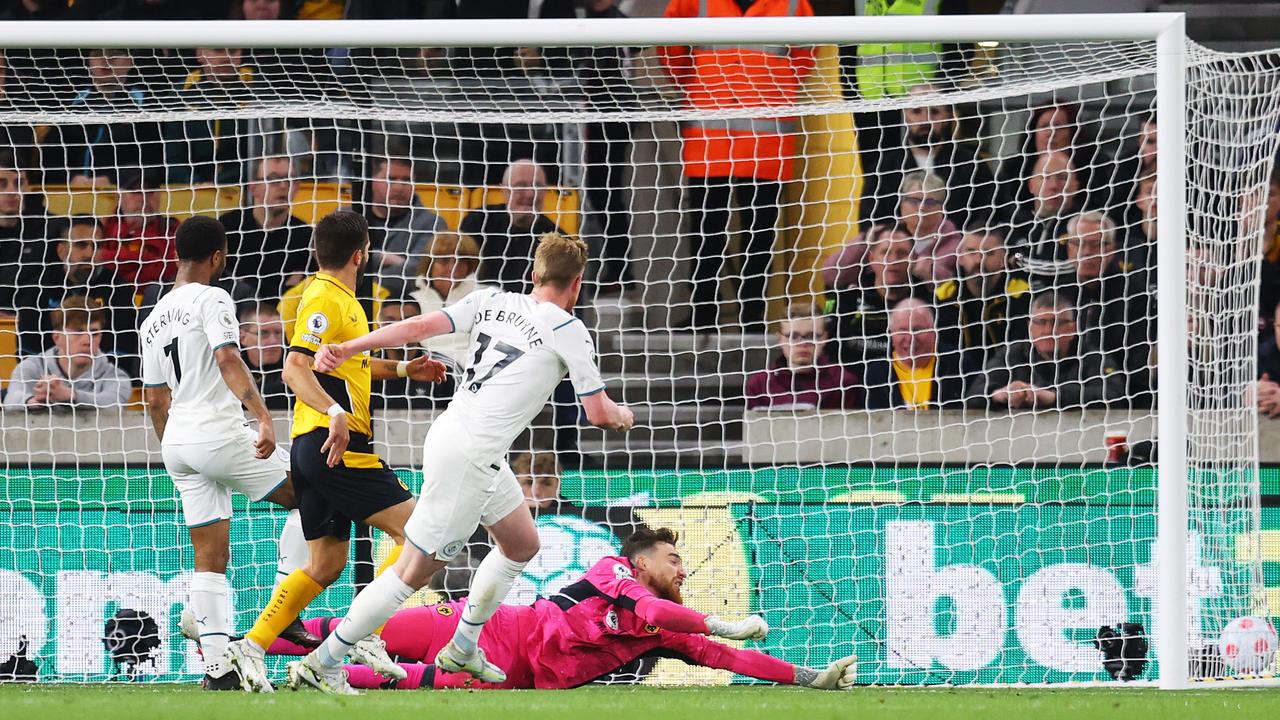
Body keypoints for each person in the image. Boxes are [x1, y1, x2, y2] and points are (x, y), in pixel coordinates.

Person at [289, 232, 634, 694]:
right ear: (577, 283)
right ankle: (323, 659)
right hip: (470, 455)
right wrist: (624, 415)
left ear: (534, 274)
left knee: (520, 543)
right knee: (412, 571)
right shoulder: (569, 329)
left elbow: (417, 329)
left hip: (465, 441)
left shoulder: (491, 300)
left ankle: (464, 646)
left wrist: (351, 347)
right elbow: (598, 413)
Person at [221, 211, 449, 694]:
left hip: (315, 448)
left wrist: (407, 371)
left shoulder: (342, 300)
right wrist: (335, 412)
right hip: (336, 445)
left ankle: (250, 648)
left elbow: (355, 365)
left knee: (325, 566)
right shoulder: (323, 295)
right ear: (361, 253)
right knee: (425, 535)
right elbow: (294, 369)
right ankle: (364, 633)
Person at [228, 527, 856, 692]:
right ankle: (232, 643)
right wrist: (717, 619)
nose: (682, 569)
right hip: (492, 629)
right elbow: (661, 614)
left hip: (512, 675)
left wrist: (806, 676)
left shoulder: (657, 628)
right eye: (673, 558)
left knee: (398, 679)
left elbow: (729, 657)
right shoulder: (612, 573)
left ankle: (272, 672)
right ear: (639, 562)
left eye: (682, 563)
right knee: (353, 631)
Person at [139, 216, 315, 690]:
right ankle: (287, 612)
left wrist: (175, 450)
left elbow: (155, 399)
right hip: (218, 431)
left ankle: (217, 671)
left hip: (177, 441)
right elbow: (227, 356)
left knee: (209, 558)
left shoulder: (151, 319)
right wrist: (262, 414)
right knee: (316, 495)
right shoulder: (214, 297)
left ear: (178, 255)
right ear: (218, 257)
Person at [660, 0, 815, 331]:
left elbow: (805, 53)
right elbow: (669, 45)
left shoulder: (792, 4)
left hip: (761, 140)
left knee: (758, 234)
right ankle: (704, 315)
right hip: (714, 138)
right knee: (707, 232)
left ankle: (752, 318)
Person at [859, 83, 1000, 229]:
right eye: (916, 111)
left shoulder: (972, 165)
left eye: (934, 112)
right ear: (906, 116)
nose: (926, 119)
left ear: (948, 116)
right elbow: (869, 229)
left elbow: (986, 221)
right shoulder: (883, 169)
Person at [1057, 211, 1153, 406]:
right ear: (1069, 249)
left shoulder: (1134, 296)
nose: (1086, 252)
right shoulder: (1057, 293)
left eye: (1096, 244)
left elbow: (1138, 363)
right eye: (1079, 243)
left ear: (1111, 250)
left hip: (1124, 400)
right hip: (1065, 394)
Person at [969, 292, 1126, 410]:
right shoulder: (1011, 355)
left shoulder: (1092, 357)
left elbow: (1115, 395)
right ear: (1030, 327)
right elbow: (972, 395)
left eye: (1058, 323)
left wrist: (1054, 396)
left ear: (1073, 329)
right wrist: (998, 394)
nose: (1048, 330)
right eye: (1041, 322)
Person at [38, 48, 162, 187]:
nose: (105, 61)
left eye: (113, 54)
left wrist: (113, 179)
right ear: (89, 62)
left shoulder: (147, 105)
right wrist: (70, 178)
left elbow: (154, 161)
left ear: (130, 61)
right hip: (72, 192)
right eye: (98, 54)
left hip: (125, 191)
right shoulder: (70, 105)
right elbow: (50, 160)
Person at [16, 216, 132, 359]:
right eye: (81, 245)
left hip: (103, 377)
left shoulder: (118, 289)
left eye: (96, 246)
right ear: (61, 251)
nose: (90, 254)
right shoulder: (39, 287)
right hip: (49, 377)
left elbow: (124, 351)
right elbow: (27, 350)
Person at [933, 226, 1031, 378]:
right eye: (971, 252)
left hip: (1008, 380)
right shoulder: (942, 298)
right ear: (960, 257)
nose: (979, 260)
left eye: (989, 253)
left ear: (1003, 259)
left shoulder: (1023, 296)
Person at [461, 159, 568, 295]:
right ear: (504, 190)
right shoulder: (478, 222)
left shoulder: (558, 241)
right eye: (521, 186)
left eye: (537, 186)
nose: (530, 194)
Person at [3, 295, 130, 409]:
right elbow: (11, 400)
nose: (87, 341)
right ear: (57, 338)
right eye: (78, 332)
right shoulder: (31, 367)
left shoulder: (116, 376)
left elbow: (114, 405)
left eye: (94, 333)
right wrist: (34, 401)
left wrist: (70, 395)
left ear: (101, 337)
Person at [219, 155, 314, 300]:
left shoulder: (304, 236)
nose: (283, 186)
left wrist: (247, 284)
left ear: (297, 187)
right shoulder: (228, 227)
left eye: (289, 180)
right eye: (274, 179)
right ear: (253, 188)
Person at [828, 225, 923, 368]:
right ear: (871, 258)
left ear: (914, 259)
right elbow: (829, 352)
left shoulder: (927, 303)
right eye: (885, 252)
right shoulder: (848, 299)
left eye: (902, 253)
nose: (893, 260)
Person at [165, 47, 258, 185]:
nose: (227, 57)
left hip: (245, 185)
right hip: (193, 190)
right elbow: (173, 159)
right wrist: (195, 184)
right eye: (218, 50)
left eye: (233, 52)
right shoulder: (181, 94)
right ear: (200, 54)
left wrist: (221, 182)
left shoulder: (258, 90)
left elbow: (261, 157)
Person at [358, 155, 447, 298]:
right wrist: (385, 258)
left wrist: (363, 280)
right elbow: (327, 259)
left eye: (406, 180)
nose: (399, 187)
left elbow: (418, 272)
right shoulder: (345, 216)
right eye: (391, 179)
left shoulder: (432, 223)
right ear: (371, 181)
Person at [745, 301, 858, 411]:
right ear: (780, 339)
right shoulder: (759, 384)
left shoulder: (843, 382)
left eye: (811, 336)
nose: (803, 344)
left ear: (824, 339)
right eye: (794, 336)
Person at [409, 231, 493, 377]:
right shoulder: (411, 300)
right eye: (444, 260)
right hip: (425, 372)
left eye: (461, 261)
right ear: (430, 263)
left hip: (472, 374)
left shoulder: (486, 296)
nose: (452, 267)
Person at [862, 298, 965, 410]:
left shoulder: (958, 365)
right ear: (891, 334)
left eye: (918, 330)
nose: (910, 338)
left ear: (934, 331)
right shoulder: (875, 376)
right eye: (902, 331)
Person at [98, 170, 178, 291]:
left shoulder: (172, 229)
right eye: (136, 191)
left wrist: (111, 259)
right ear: (119, 196)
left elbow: (168, 270)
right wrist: (148, 259)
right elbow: (93, 263)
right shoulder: (101, 228)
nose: (143, 199)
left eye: (150, 192)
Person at [1005, 150, 1083, 271]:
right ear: (1031, 185)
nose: (1053, 186)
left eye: (1062, 178)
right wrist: (1018, 257)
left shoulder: (1085, 227)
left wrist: (1019, 261)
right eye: (1046, 177)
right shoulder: (1012, 225)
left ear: (1075, 187)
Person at [897, 171, 962, 282]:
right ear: (902, 204)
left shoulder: (958, 247)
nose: (921, 207)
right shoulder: (884, 237)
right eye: (914, 201)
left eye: (930, 202)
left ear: (942, 208)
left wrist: (933, 272)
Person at [239, 302, 288, 409]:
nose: (273, 341)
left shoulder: (294, 366)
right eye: (263, 333)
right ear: (242, 337)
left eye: (278, 332)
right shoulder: (232, 369)